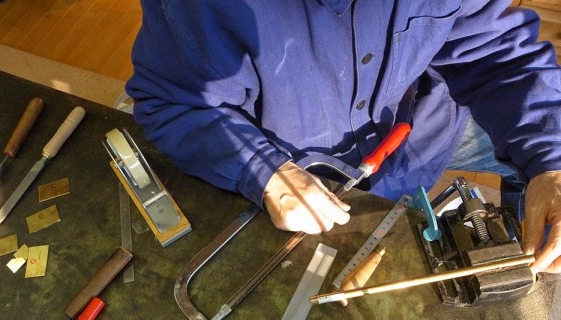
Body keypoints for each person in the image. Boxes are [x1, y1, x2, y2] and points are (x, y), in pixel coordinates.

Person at [126, 0, 561, 274]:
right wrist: (262, 170)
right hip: (294, 169)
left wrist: (551, 162)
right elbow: (173, 102)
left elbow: (499, 59)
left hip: (415, 134)